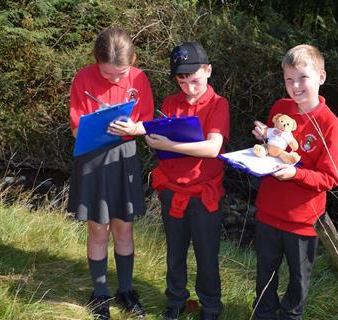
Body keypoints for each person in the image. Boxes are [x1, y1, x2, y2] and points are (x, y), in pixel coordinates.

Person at [251, 44, 338, 320]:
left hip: (303, 222)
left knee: (297, 282)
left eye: (303, 77)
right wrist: (264, 136)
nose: (295, 86)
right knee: (264, 276)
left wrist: (296, 174)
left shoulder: (330, 125)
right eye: (288, 79)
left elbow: (329, 178)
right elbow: (274, 149)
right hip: (268, 212)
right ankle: (262, 314)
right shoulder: (281, 108)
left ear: (321, 77)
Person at [68, 27, 154, 320]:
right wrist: (98, 127)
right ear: (96, 61)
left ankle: (126, 290)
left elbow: (148, 122)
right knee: (97, 228)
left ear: (133, 60)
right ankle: (100, 293)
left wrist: (134, 129)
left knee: (124, 227)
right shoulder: (83, 78)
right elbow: (77, 129)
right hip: (92, 159)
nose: (116, 79)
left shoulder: (140, 78)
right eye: (108, 74)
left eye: (122, 73)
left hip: (124, 157)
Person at [145, 42, 230, 320]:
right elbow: (159, 137)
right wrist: (153, 139)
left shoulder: (218, 104)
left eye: (194, 81)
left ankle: (211, 306)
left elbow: (212, 148)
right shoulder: (171, 102)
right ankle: (176, 301)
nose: (189, 88)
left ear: (208, 71)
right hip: (171, 189)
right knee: (175, 252)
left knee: (206, 256)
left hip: (204, 193)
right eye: (182, 82)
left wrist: (170, 144)